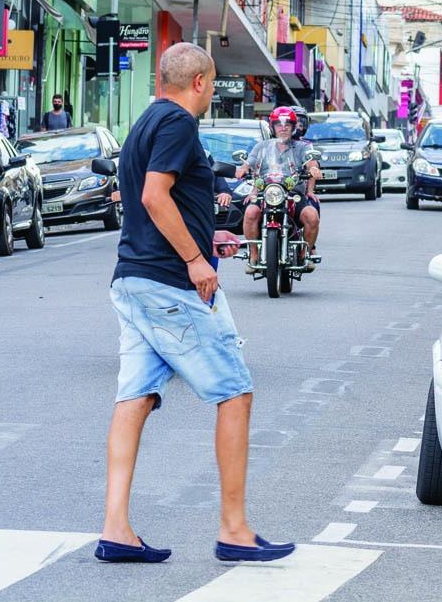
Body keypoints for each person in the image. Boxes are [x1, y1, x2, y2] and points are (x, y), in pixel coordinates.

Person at [99, 42, 294, 564]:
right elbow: (154, 197)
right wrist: (194, 260)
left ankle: (116, 528)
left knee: (134, 399)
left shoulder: (144, 123)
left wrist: (207, 241)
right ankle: (235, 530)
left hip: (135, 279)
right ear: (202, 82)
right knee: (235, 393)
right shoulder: (180, 124)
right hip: (167, 285)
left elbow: (161, 205)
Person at [234, 106, 321, 271]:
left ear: (294, 127)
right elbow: (250, 162)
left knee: (312, 216)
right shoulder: (262, 146)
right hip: (265, 192)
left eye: (287, 124)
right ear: (273, 127)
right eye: (279, 124)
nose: (283, 128)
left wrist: (313, 169)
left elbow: (311, 161)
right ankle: (253, 255)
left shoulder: (302, 147)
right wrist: (242, 169)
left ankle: (305, 253)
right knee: (250, 212)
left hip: (292, 193)